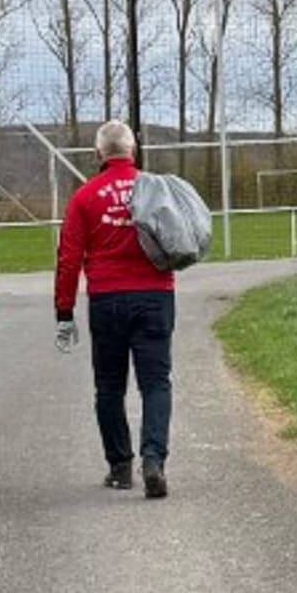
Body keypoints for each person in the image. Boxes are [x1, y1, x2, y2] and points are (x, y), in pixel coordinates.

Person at [52, 119, 176, 496]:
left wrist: (64, 310)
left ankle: (120, 466)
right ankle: (153, 459)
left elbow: (69, 258)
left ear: (98, 154)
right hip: (155, 294)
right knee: (155, 382)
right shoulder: (155, 188)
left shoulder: (85, 197)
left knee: (109, 385)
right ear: (133, 151)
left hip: (107, 299)